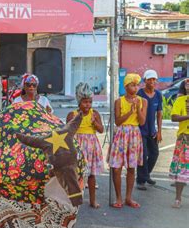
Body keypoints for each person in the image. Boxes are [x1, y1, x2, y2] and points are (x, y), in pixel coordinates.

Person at [108, 73, 147, 209]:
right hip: (121, 133)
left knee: (131, 168)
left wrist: (137, 110)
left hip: (134, 135)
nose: (135, 88)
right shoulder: (119, 101)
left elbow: (142, 122)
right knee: (116, 168)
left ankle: (128, 197)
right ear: (126, 87)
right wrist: (130, 112)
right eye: (132, 85)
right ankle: (119, 197)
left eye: (137, 85)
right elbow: (117, 121)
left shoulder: (143, 101)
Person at [67, 82, 104, 208]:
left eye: (90, 102)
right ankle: (74, 200)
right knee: (76, 174)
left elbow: (101, 130)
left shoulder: (95, 114)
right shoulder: (72, 114)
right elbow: (67, 132)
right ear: (79, 101)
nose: (88, 105)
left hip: (91, 146)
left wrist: (95, 123)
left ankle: (93, 200)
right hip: (78, 146)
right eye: (85, 102)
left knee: (91, 175)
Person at [136, 69, 163, 190]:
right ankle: (141, 180)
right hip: (141, 130)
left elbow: (159, 114)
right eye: (149, 79)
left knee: (154, 154)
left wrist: (159, 131)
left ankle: (144, 176)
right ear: (144, 81)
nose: (152, 81)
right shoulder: (139, 94)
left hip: (152, 131)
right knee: (144, 154)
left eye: (154, 79)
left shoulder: (158, 94)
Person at [169, 79, 189, 208]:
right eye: (187, 84)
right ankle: (178, 198)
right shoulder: (180, 101)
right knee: (181, 172)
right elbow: (173, 117)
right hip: (184, 140)